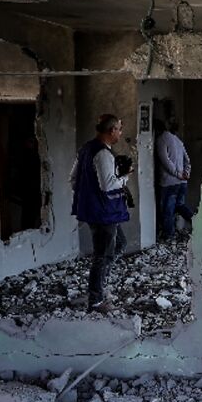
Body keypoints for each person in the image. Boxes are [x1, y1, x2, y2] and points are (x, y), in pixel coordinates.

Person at [70, 113, 132, 313]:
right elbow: (108, 186)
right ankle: (96, 299)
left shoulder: (86, 149)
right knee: (102, 255)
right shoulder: (103, 154)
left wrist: (88, 196)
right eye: (119, 129)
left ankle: (100, 285)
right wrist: (125, 178)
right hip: (104, 211)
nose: (121, 134)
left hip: (94, 209)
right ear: (112, 130)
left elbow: (73, 179)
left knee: (119, 243)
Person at [155, 118, 194, 240]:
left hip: (169, 182)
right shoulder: (178, 141)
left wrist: (177, 174)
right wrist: (186, 172)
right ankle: (197, 223)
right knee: (180, 205)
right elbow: (187, 160)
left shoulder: (161, 139)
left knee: (168, 210)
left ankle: (169, 235)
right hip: (182, 182)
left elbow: (165, 161)